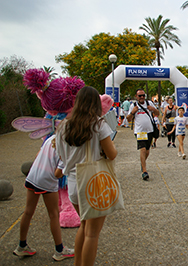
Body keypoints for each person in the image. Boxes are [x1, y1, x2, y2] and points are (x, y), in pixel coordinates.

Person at [56, 86, 117, 266]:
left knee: (84, 226)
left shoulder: (63, 126)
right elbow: (112, 154)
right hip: (94, 184)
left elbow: (61, 156)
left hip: (73, 185)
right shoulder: (98, 124)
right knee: (92, 233)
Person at [13, 135, 74, 261]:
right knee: (54, 214)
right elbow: (58, 174)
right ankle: (59, 250)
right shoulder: (67, 149)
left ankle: (21, 246)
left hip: (33, 175)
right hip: (47, 181)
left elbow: (37, 156)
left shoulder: (51, 138)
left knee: (28, 211)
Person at [127, 89, 159, 181]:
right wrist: (132, 112)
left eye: (143, 95)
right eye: (140, 96)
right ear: (136, 96)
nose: (142, 97)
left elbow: (157, 113)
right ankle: (144, 171)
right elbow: (128, 119)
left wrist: (153, 109)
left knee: (147, 151)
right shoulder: (133, 106)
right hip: (140, 131)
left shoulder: (149, 103)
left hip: (150, 131)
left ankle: (142, 163)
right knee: (143, 149)